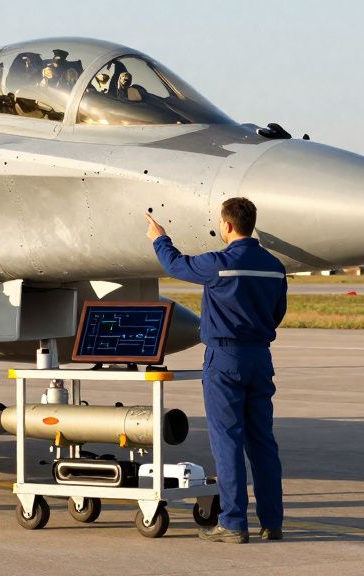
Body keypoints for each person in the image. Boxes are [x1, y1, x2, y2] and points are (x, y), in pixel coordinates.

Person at [144, 197, 286, 543]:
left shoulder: (219, 264)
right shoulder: (274, 266)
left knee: (228, 441)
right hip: (260, 357)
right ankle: (272, 522)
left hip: (225, 358)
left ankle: (233, 523)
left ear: (227, 225)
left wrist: (159, 238)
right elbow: (277, 313)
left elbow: (175, 265)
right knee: (262, 442)